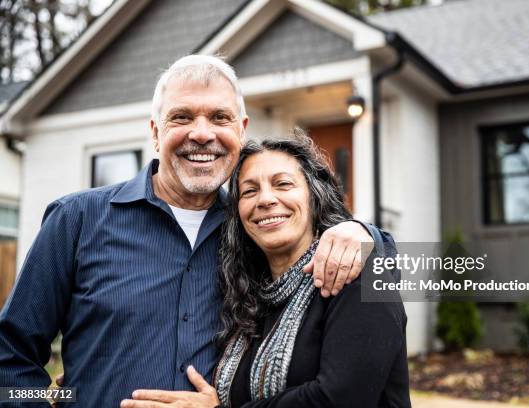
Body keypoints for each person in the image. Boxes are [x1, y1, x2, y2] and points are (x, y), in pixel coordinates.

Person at [0, 56, 396, 407]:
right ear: (155, 132)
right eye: (182, 117)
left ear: (240, 131)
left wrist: (368, 234)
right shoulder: (77, 220)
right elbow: (10, 354)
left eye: (220, 118)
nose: (202, 133)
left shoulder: (253, 230)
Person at [121, 132, 410, 408]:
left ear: (314, 197)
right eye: (250, 191)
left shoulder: (356, 275)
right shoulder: (251, 302)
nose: (266, 199)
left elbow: (339, 399)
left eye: (283, 184)